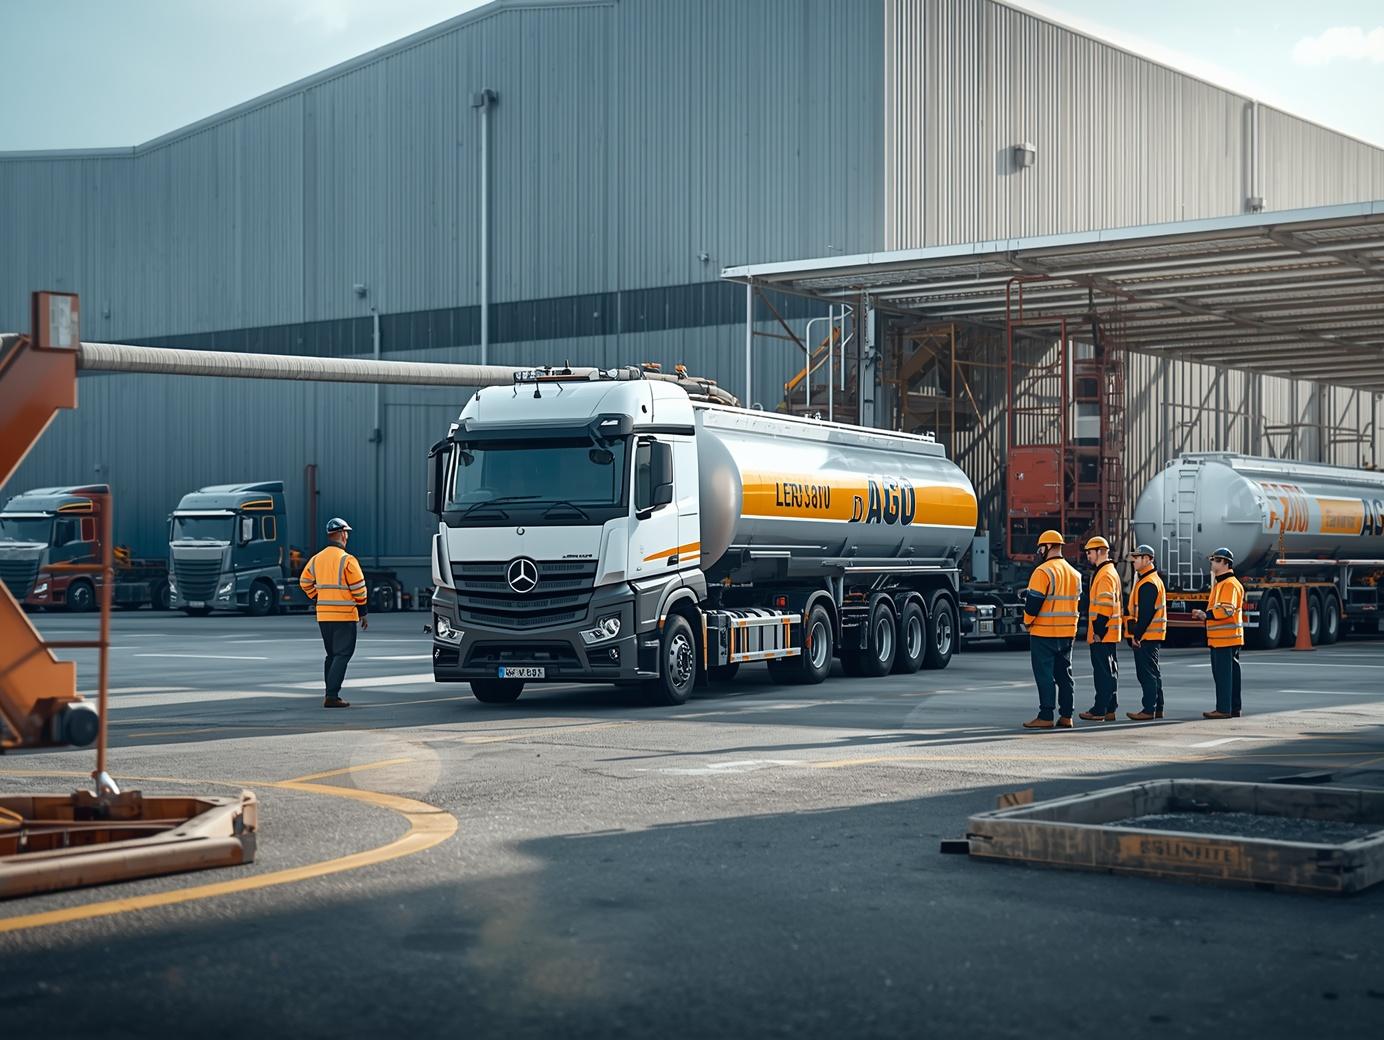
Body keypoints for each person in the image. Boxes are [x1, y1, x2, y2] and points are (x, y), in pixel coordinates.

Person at [300, 517, 369, 708]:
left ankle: (330, 693)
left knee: (331, 655)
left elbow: (304, 582)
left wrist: (317, 597)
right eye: (346, 533)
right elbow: (359, 589)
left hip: (324, 616)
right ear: (342, 534)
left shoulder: (316, 559)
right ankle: (332, 695)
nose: (347, 536)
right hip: (344, 616)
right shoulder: (347, 560)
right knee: (342, 654)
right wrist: (363, 611)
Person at [1021, 529, 1083, 730]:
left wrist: (1028, 622)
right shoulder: (1075, 574)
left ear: (1047, 547)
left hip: (1044, 633)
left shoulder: (1042, 572)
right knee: (1065, 674)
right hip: (1067, 634)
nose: (1039, 552)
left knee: (1044, 675)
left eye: (1041, 548)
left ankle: (1046, 715)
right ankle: (1066, 715)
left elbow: (1033, 604)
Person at [1192, 547, 1244, 720]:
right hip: (1228, 638)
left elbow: (1226, 610)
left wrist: (1205, 615)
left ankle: (1223, 708)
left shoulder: (1228, 584)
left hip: (1224, 639)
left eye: (1214, 560)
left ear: (1224, 563)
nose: (1212, 563)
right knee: (1231, 675)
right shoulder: (1223, 583)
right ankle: (1233, 707)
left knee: (1223, 676)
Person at [1078, 536, 1122, 722]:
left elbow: (1105, 605)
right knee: (1110, 671)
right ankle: (1110, 708)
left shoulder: (1104, 574)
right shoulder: (1110, 572)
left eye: (1090, 552)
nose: (1088, 556)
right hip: (1110, 632)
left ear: (1100, 552)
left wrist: (1098, 632)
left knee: (1102, 673)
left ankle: (1099, 710)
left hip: (1103, 633)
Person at [1124, 544, 1167, 721]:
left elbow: (1146, 614)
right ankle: (1158, 708)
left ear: (1148, 559)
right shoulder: (1148, 580)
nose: (1134, 560)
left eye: (1138, 557)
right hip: (1152, 635)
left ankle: (1148, 709)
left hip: (1147, 636)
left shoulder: (1148, 583)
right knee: (1154, 672)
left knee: (1146, 674)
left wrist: (1137, 636)